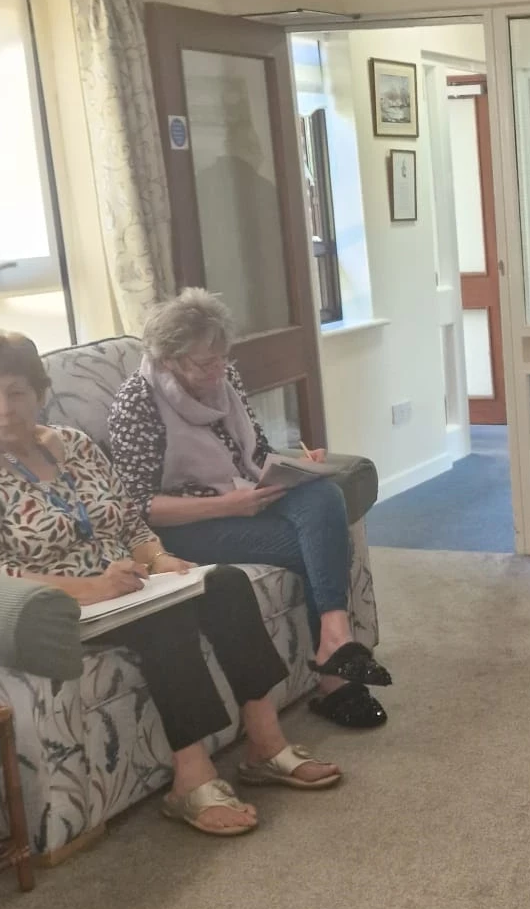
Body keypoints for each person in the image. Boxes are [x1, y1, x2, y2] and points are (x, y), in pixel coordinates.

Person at [0, 331, 341, 837]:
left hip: (129, 583)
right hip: (56, 608)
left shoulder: (74, 446)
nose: (4, 409)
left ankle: (265, 745)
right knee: (165, 620)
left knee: (226, 583)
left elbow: (129, 523)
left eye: (16, 393)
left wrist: (163, 559)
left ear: (39, 393)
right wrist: (92, 589)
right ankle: (190, 780)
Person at [109, 288, 389, 730]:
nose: (219, 370)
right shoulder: (138, 402)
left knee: (324, 496)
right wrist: (228, 504)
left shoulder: (225, 378)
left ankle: (334, 641)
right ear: (168, 360)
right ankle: (336, 679)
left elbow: (253, 453)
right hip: (186, 528)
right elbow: (139, 507)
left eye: (223, 356)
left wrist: (296, 467)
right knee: (322, 548)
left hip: (246, 497)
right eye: (205, 363)